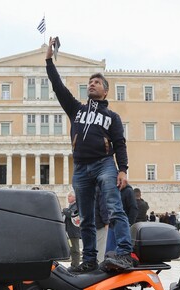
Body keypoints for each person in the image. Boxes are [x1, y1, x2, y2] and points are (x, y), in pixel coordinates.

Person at [46, 37, 134, 272]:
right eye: (90, 82)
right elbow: (58, 87)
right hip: (81, 166)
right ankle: (89, 260)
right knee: (86, 218)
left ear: (105, 91)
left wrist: (123, 169)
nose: (92, 84)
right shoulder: (76, 109)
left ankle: (125, 253)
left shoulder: (112, 117)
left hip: (104, 163)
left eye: (96, 82)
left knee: (114, 207)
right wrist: (48, 61)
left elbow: (120, 143)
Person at [105, 183, 138, 254]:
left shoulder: (128, 191)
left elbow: (134, 208)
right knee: (109, 251)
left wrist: (129, 224)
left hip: (122, 226)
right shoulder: (112, 190)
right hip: (112, 226)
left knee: (121, 251)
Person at [62, 191, 81, 269]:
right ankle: (73, 264)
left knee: (75, 249)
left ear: (74, 197)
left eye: (70, 196)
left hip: (74, 231)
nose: (68, 198)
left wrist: (64, 210)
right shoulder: (71, 206)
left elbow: (71, 214)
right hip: (69, 231)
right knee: (72, 248)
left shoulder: (76, 206)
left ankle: (76, 265)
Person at [95, 186, 110, 264]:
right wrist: (106, 221)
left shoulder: (88, 187)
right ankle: (99, 265)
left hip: (89, 221)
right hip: (99, 222)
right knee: (101, 247)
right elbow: (103, 207)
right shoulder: (101, 189)